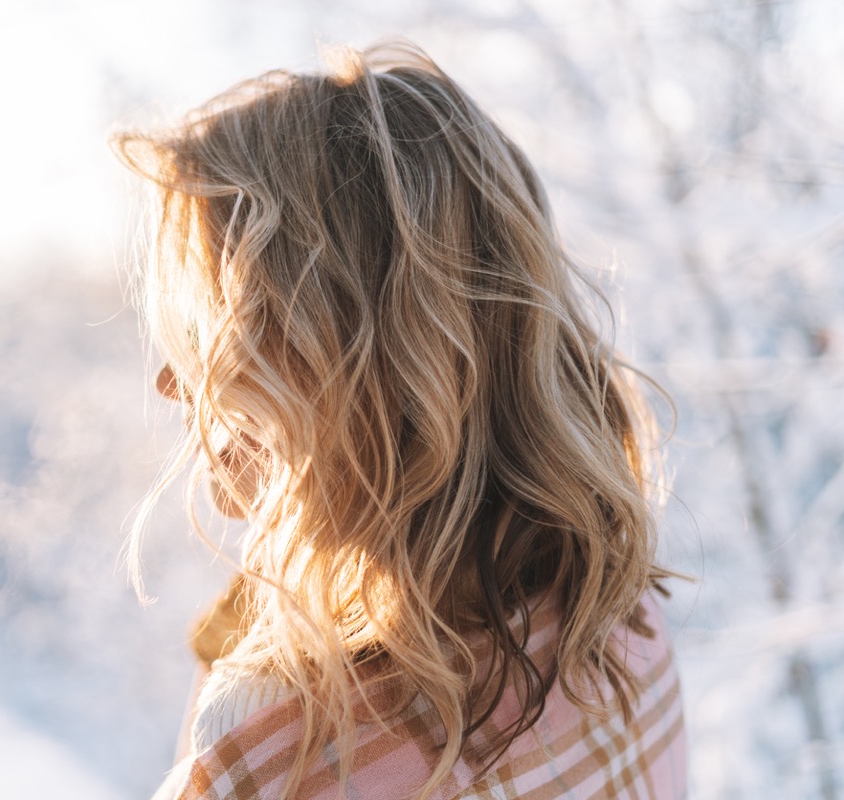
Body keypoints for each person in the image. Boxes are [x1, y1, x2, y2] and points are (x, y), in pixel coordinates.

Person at [114, 39, 687, 800]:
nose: (170, 378)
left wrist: (239, 690)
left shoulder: (284, 755)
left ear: (341, 368)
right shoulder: (622, 622)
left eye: (208, 330)